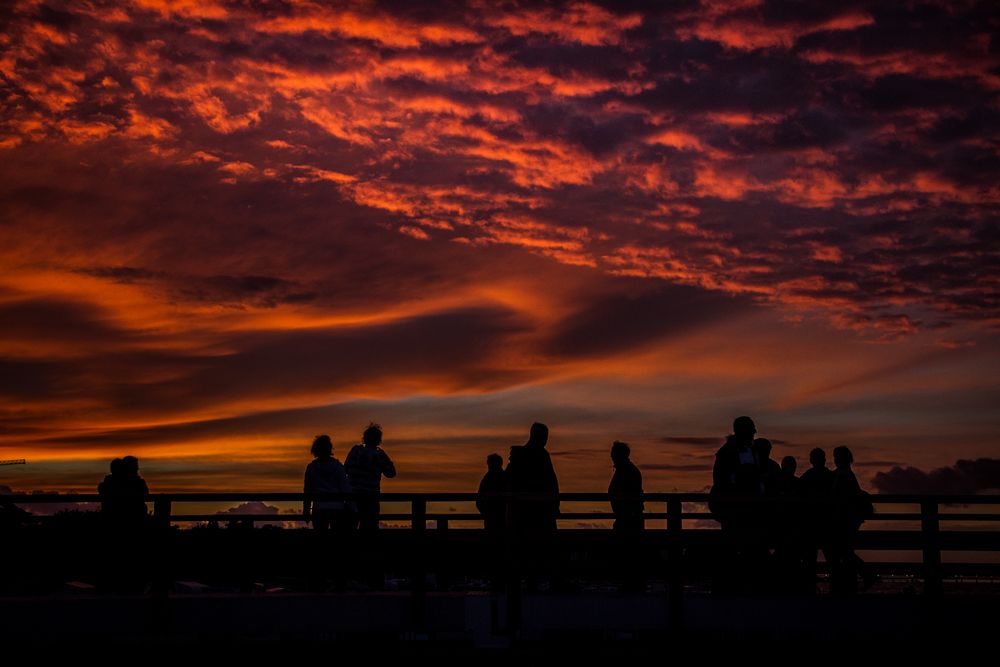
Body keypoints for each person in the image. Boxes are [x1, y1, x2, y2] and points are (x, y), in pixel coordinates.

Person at [829, 446, 877, 593]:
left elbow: (841, 496)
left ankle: (865, 575)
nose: (835, 459)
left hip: (846, 520)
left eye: (836, 457)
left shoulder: (843, 475)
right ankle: (859, 578)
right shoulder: (846, 474)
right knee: (845, 550)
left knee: (843, 550)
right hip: (849, 519)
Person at [344, 423, 396, 533]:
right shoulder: (379, 455)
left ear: (364, 438)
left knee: (349, 526)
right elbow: (391, 473)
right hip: (371, 496)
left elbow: (345, 469)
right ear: (379, 440)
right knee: (370, 528)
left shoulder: (355, 451)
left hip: (353, 494)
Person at [303, 435, 354, 532]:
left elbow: (308, 491)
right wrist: (352, 508)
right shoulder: (338, 467)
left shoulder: (311, 468)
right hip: (337, 508)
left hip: (319, 508)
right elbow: (345, 489)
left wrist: (306, 510)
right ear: (330, 449)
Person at [608, 441, 644, 533]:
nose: (611, 456)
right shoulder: (625, 470)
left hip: (628, 519)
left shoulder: (626, 471)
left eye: (613, 453)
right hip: (626, 518)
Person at [476, 453, 508, 534]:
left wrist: (484, 511)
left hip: (497, 514)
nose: (489, 466)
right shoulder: (504, 477)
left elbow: (479, 497)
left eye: (490, 463)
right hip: (495, 514)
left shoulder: (488, 478)